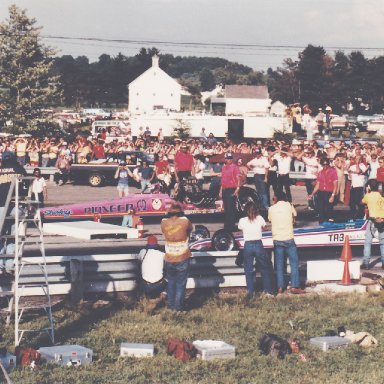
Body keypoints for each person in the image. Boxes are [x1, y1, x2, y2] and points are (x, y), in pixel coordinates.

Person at [268, 192, 305, 294]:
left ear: (276, 199)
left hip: (277, 239)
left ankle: (280, 287)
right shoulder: (289, 206)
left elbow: (270, 220)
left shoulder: (271, 208)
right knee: (294, 262)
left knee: (279, 264)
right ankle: (294, 286)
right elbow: (294, 218)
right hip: (289, 238)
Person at [161, 203, 193, 311]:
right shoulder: (185, 221)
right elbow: (190, 229)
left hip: (169, 257)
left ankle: (171, 306)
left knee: (171, 282)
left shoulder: (164, 222)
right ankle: (178, 308)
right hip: (182, 256)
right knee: (181, 284)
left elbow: (163, 231)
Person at [238, 201, 274, 299]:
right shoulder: (260, 218)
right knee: (264, 268)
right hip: (258, 244)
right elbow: (264, 228)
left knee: (248, 269)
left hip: (248, 245)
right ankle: (268, 291)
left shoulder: (242, 220)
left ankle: (251, 292)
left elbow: (241, 229)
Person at [361, 180, 384, 269]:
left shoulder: (368, 196)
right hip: (382, 220)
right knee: (383, 243)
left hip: (373, 220)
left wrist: (367, 192)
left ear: (369, 187)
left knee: (367, 242)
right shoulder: (381, 196)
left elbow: (362, 202)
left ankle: (366, 263)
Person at [308, 157, 338, 223]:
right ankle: (321, 222)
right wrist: (312, 194)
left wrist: (332, 196)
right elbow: (318, 185)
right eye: (323, 164)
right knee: (320, 208)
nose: (325, 166)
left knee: (328, 209)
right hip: (321, 192)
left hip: (329, 192)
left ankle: (330, 222)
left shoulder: (333, 172)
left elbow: (335, 185)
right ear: (321, 165)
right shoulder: (320, 173)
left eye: (326, 164)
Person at [219, 152, 241, 233]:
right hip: (225, 189)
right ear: (225, 159)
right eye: (228, 158)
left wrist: (237, 188)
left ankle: (231, 227)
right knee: (227, 209)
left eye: (230, 158)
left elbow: (238, 178)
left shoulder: (235, 167)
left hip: (232, 189)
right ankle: (227, 226)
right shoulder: (224, 168)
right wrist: (220, 191)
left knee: (231, 209)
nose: (229, 160)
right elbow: (222, 180)